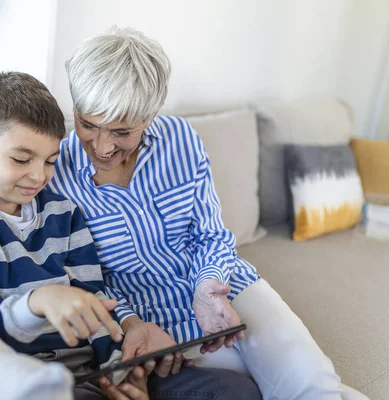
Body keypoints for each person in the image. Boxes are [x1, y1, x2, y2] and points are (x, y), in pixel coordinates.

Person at [48, 27, 368, 400]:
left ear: (150, 116)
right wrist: (130, 323)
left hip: (226, 289)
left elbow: (212, 235)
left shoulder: (181, 140)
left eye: (122, 131)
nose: (102, 146)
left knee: (314, 384)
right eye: (88, 124)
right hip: (153, 324)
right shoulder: (56, 174)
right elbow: (82, 278)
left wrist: (207, 289)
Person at [0, 71, 261, 400]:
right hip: (23, 378)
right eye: (22, 159)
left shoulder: (62, 213)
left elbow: (97, 299)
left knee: (238, 391)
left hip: (94, 375)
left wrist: (125, 372)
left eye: (50, 161)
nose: (37, 176)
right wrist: (37, 303)